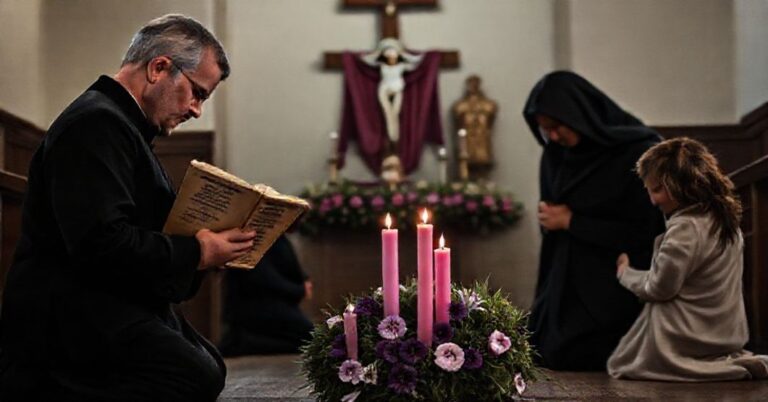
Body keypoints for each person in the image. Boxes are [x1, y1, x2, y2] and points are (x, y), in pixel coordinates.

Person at [0, 15, 256, 401]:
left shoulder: (120, 124)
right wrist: (198, 251)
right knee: (192, 374)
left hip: (103, 298)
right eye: (197, 93)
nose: (196, 110)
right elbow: (100, 243)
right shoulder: (96, 123)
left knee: (209, 364)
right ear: (159, 68)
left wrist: (203, 253)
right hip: (66, 313)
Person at [522, 71, 666, 371]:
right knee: (544, 349)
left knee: (581, 354)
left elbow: (646, 230)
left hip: (615, 278)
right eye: (545, 130)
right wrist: (551, 220)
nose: (553, 137)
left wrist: (573, 221)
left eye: (557, 127)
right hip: (564, 277)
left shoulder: (638, 151)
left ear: (579, 114)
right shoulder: (556, 154)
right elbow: (553, 215)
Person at [608, 137, 768, 381]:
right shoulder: (725, 221)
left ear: (678, 184)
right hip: (726, 332)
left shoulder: (685, 228)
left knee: (622, 363)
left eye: (657, 189)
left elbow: (659, 288)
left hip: (690, 336)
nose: (652, 200)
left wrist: (625, 273)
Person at [219, 235, 313, 356]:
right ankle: (240, 342)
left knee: (308, 338)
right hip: (257, 306)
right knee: (309, 338)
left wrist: (303, 282)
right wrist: (300, 290)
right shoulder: (254, 238)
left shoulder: (278, 238)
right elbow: (265, 279)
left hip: (277, 304)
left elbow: (289, 265)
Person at [361, 38, 423, 146]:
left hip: (397, 89)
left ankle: (394, 138)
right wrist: (378, 51)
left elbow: (415, 63)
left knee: (395, 113)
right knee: (387, 112)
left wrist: (405, 53)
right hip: (384, 90)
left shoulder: (401, 66)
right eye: (389, 57)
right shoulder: (382, 66)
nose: (391, 59)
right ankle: (391, 137)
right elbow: (368, 61)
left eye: (394, 56)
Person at [452, 75, 498, 171]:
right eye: (471, 84)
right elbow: (458, 120)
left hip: (482, 140)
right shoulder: (460, 105)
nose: (473, 86)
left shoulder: (488, 105)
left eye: (475, 83)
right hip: (467, 142)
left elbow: (490, 120)